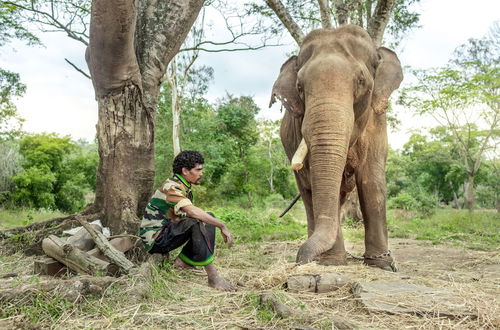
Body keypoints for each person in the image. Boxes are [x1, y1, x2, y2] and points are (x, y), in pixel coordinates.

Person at [139, 150, 235, 291]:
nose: (201, 173)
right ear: (185, 171)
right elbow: (192, 212)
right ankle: (213, 277)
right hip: (156, 239)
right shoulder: (171, 186)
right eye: (198, 170)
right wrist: (222, 226)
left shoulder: (184, 187)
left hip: (166, 232)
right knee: (199, 220)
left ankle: (184, 261)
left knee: (208, 217)